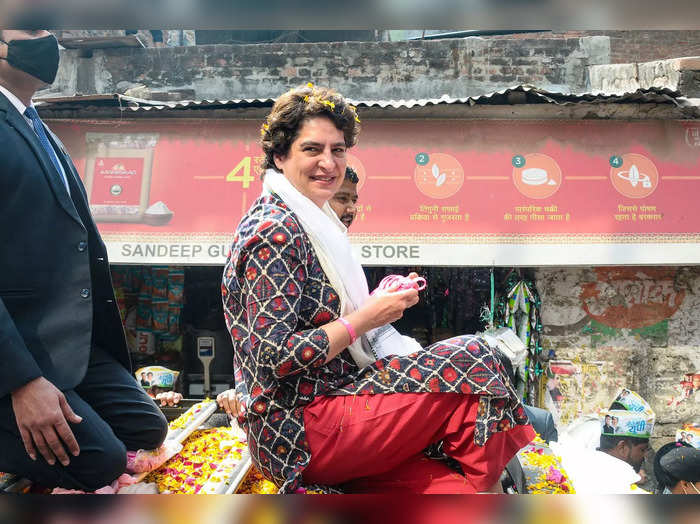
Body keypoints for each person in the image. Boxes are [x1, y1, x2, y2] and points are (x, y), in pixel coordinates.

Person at [220, 84, 534, 494]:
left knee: (452, 497)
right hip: (300, 428)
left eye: (338, 150)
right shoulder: (275, 231)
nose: (328, 163)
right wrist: (367, 317)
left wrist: (373, 313)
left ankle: (475, 484)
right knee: (477, 358)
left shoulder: (311, 224)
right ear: (280, 156)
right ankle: (487, 482)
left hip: (332, 405)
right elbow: (274, 356)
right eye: (312, 149)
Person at [0, 29, 168, 491]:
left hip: (61, 343)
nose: (46, 40)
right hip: (17, 353)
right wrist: (21, 381)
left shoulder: (35, 125)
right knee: (100, 460)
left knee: (147, 430)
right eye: (30, 29)